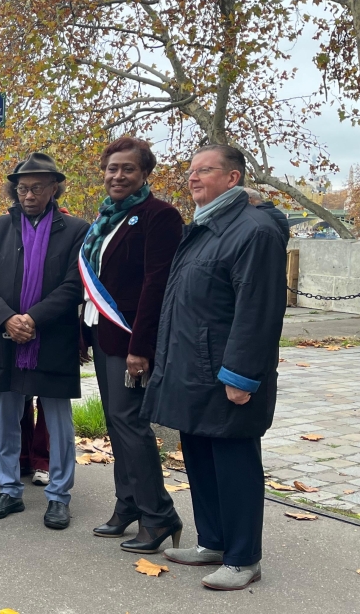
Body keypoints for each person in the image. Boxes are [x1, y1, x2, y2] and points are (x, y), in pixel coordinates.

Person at [144, 145, 287, 590]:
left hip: (227, 374)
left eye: (204, 170)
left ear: (233, 178)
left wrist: (241, 377)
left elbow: (258, 311)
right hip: (193, 369)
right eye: (190, 171)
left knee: (234, 462)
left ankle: (244, 557)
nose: (193, 177)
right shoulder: (206, 227)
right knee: (201, 458)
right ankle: (213, 541)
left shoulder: (254, 230)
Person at [0, 152, 89, 531]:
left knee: (58, 421)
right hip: (5, 338)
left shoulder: (75, 230)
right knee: (6, 417)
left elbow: (74, 285)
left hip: (51, 338)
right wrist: (7, 318)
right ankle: (7, 489)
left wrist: (33, 319)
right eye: (22, 188)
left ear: (54, 188)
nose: (29, 195)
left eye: (37, 187)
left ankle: (59, 496)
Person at [80, 137, 183, 552]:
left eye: (127, 169)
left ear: (144, 174)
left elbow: (156, 285)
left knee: (130, 424)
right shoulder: (106, 218)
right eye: (112, 168)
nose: (117, 176)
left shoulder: (159, 215)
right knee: (115, 423)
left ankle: (159, 514)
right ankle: (128, 505)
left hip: (130, 340)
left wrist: (140, 347)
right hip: (102, 333)